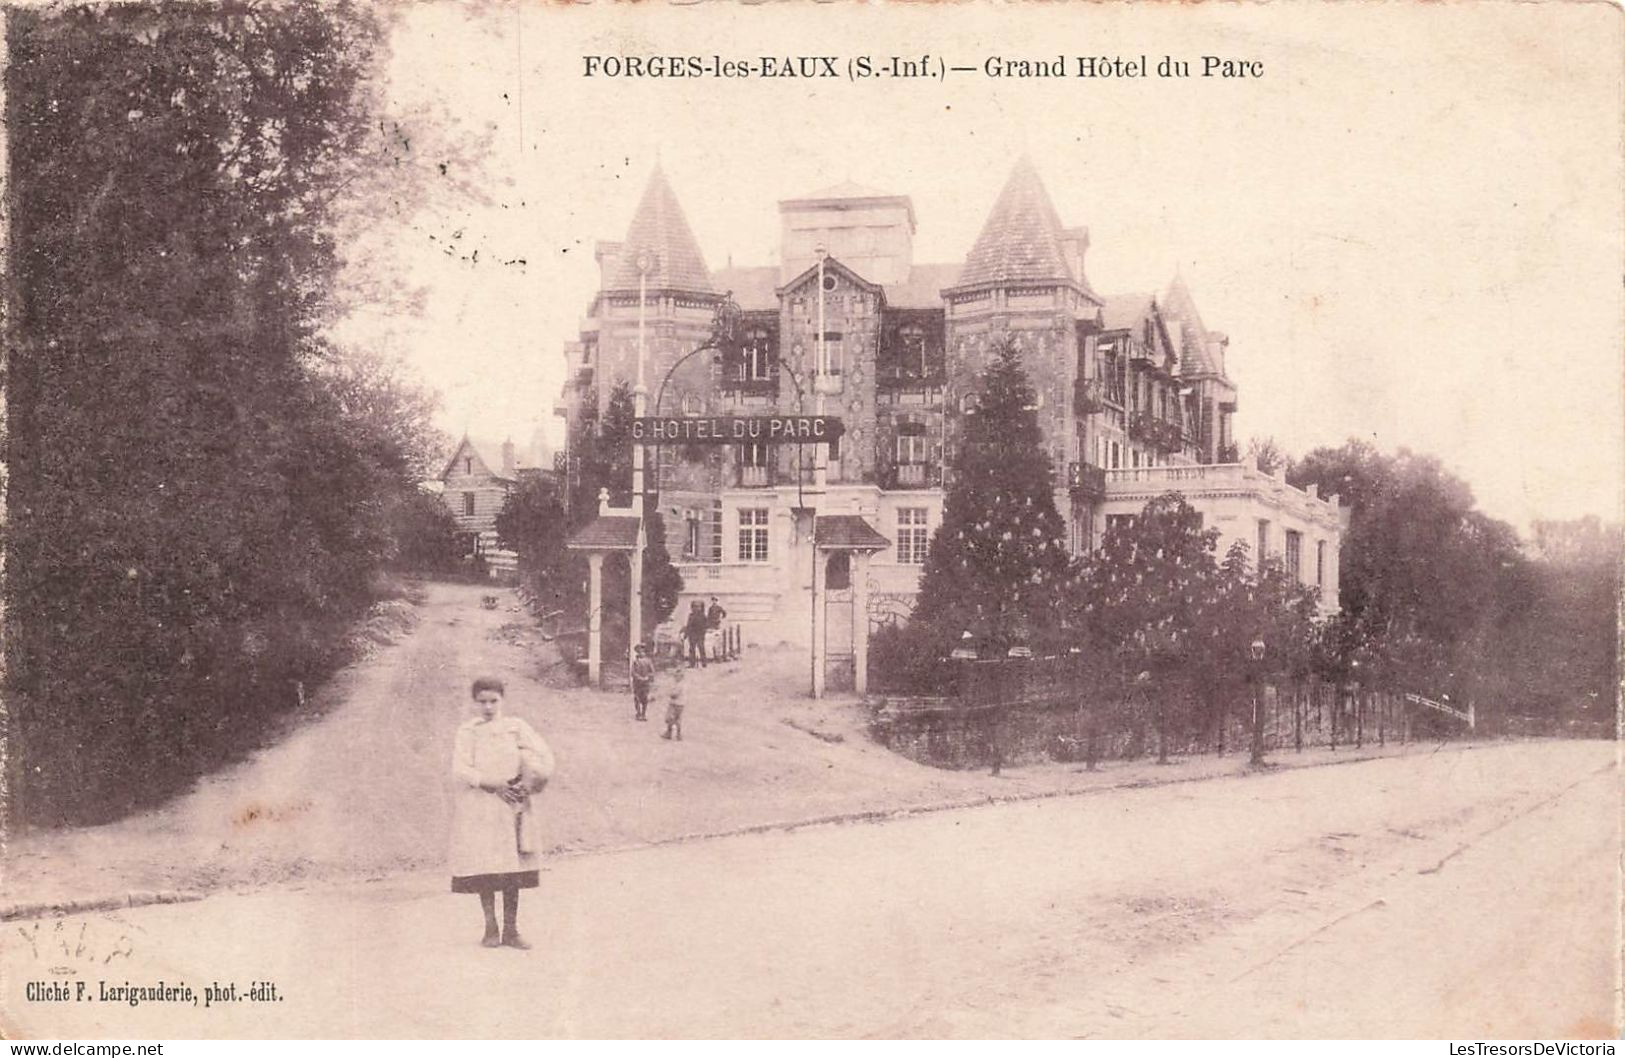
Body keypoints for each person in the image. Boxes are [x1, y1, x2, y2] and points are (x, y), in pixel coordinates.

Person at [449, 676, 555, 949]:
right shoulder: (468, 731)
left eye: (493, 701)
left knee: (511, 867)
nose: (488, 707)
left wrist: (527, 782)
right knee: (486, 865)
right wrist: (491, 784)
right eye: (482, 701)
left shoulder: (515, 727)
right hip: (482, 803)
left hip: (512, 802)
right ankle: (490, 928)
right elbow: (460, 768)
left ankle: (511, 930)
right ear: (474, 702)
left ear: (502, 700)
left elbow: (543, 756)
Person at [630, 644, 655, 721]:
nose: (641, 653)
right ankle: (638, 713)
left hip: (645, 683)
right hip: (637, 683)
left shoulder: (648, 661)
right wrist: (640, 678)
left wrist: (647, 677)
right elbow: (633, 672)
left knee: (645, 699)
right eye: (639, 651)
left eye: (642, 651)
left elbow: (652, 672)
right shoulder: (635, 662)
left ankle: (643, 714)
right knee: (637, 698)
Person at [683, 600, 708, 669]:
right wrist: (686, 634)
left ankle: (704, 663)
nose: (696, 608)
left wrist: (703, 633)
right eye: (694, 607)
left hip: (700, 634)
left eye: (698, 607)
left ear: (701, 608)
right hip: (692, 635)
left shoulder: (703, 616)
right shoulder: (691, 616)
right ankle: (692, 663)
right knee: (692, 649)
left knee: (701, 648)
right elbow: (688, 625)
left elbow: (706, 625)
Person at [661, 672, 685, 741]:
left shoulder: (679, 685)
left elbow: (674, 694)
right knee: (677, 719)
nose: (675, 678)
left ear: (681, 677)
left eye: (677, 676)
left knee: (670, 718)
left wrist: (669, 693)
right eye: (675, 676)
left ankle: (670, 733)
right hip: (681, 704)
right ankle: (677, 734)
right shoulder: (680, 684)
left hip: (675, 704)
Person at [705, 596, 728, 662]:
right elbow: (708, 616)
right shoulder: (711, 608)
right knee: (711, 640)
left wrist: (720, 618)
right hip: (711, 624)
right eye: (713, 601)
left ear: (716, 601)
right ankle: (713, 656)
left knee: (717, 640)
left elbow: (724, 613)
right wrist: (708, 623)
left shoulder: (719, 608)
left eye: (715, 601)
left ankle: (718, 657)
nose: (714, 602)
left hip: (717, 623)